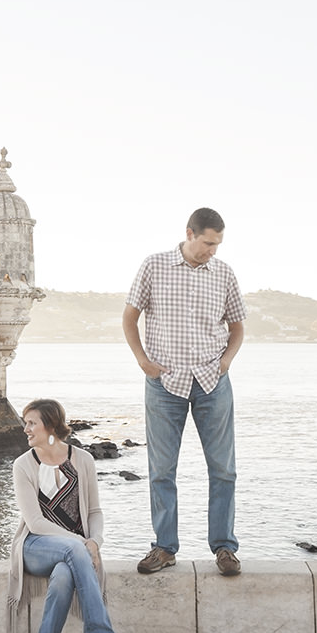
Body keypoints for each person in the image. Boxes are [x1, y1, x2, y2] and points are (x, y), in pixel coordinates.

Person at [122, 207, 246, 577]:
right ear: (190, 233)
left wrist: (225, 363)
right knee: (162, 470)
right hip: (164, 384)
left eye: (218, 244)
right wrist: (143, 361)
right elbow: (130, 317)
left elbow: (237, 325)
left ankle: (224, 548)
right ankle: (164, 548)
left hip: (213, 382)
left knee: (223, 470)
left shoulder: (223, 273)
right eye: (208, 243)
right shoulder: (154, 266)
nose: (213, 250)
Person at [8, 397, 138, 633]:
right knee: (72, 549)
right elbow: (35, 523)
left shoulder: (83, 460)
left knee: (65, 574)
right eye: (25, 423)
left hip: (72, 553)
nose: (25, 429)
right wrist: (81, 542)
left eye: (32, 423)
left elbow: (94, 511)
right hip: (34, 547)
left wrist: (96, 540)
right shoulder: (23, 465)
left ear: (51, 426)